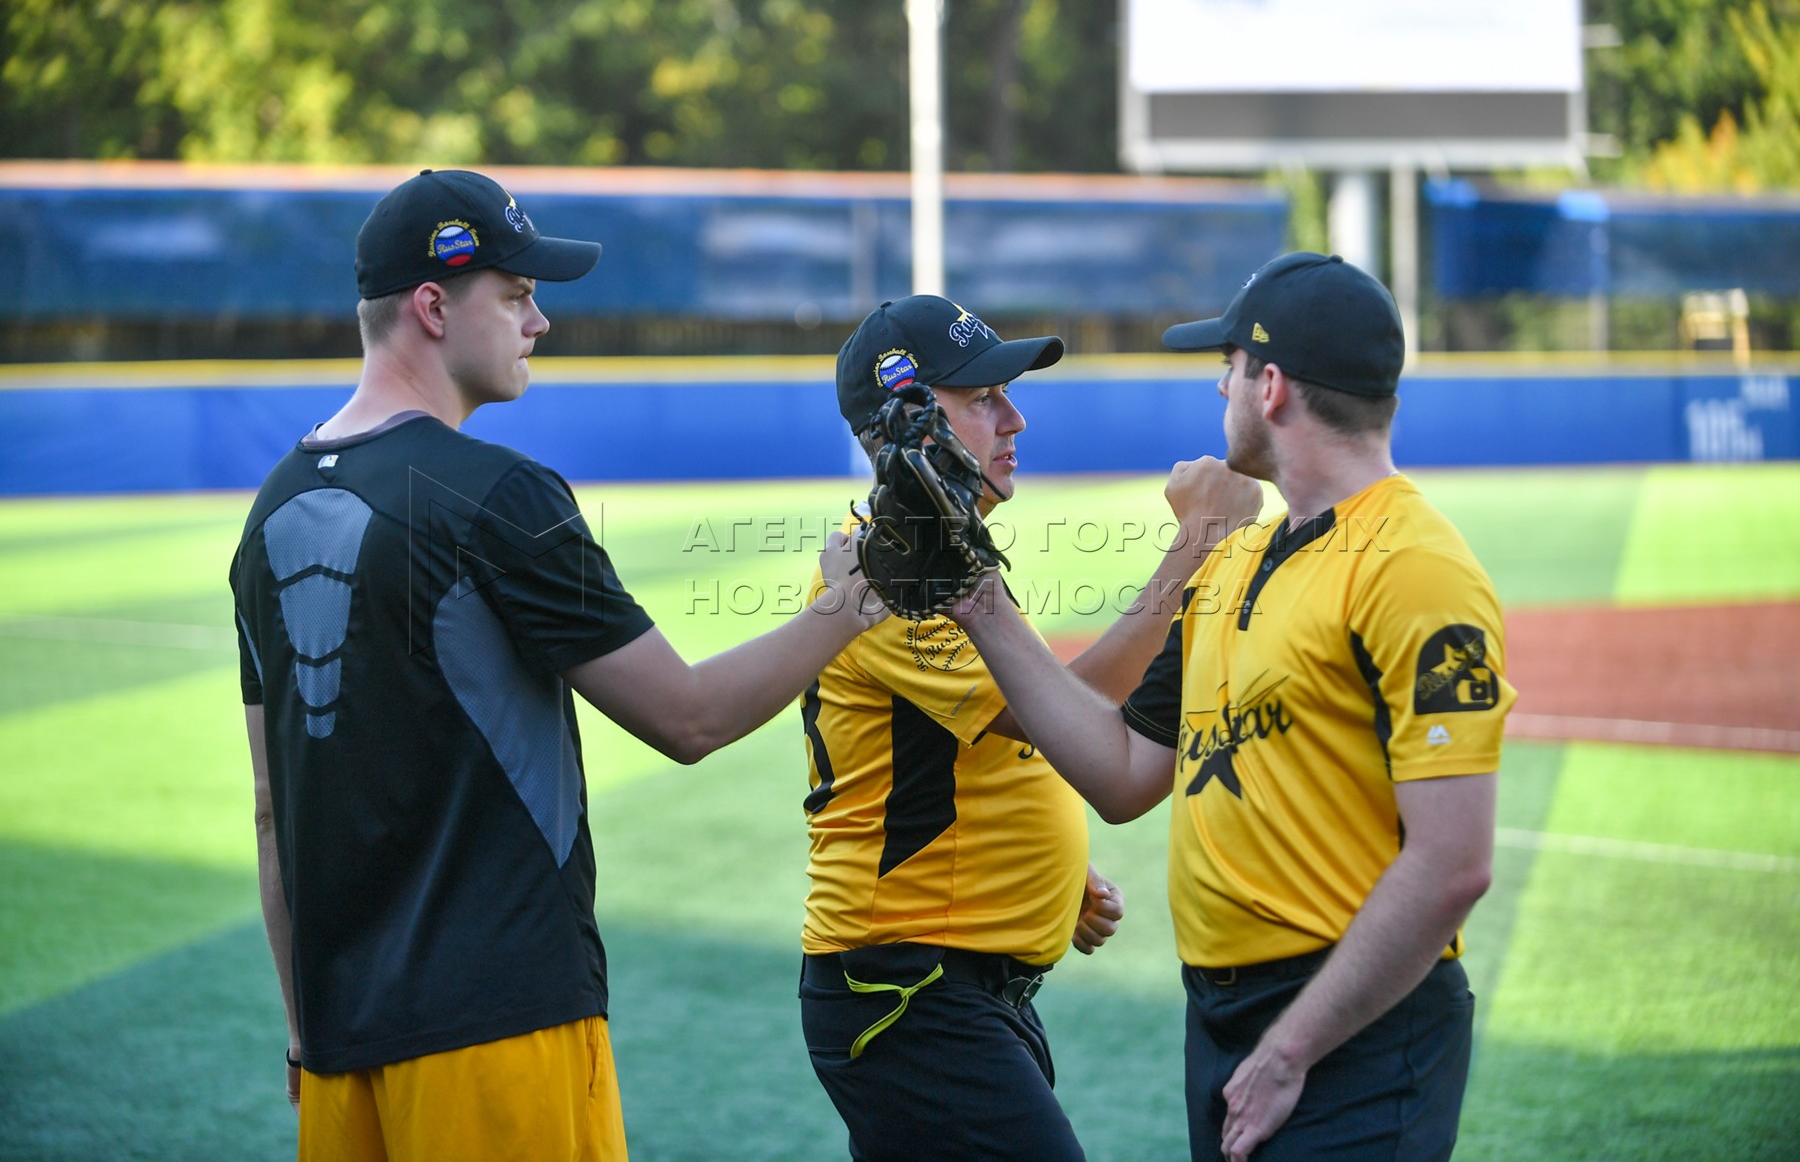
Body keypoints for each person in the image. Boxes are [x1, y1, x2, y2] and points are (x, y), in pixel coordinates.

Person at [229, 168, 886, 1162]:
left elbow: (272, 814)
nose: (539, 322)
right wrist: (846, 603)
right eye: (517, 295)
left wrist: (300, 1029)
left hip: (334, 1046)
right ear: (433, 307)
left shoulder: (269, 511)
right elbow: (689, 718)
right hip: (500, 1028)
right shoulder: (500, 494)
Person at [949, 253, 1516, 1162]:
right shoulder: (1236, 557)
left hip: (1352, 1025)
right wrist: (975, 600)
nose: (1221, 386)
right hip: (1222, 1015)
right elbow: (1124, 774)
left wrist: (1291, 1051)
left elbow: (1453, 863)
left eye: (1231, 366)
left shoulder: (1416, 567)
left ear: (1273, 387)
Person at [796, 295, 1263, 1161]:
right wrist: (1197, 544)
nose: (1015, 419)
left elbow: (970, 747)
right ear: (901, 423)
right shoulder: (891, 574)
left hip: (945, 984)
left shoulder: (941, 556)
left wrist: (1045, 874)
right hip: (908, 989)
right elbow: (1063, 713)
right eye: (982, 399)